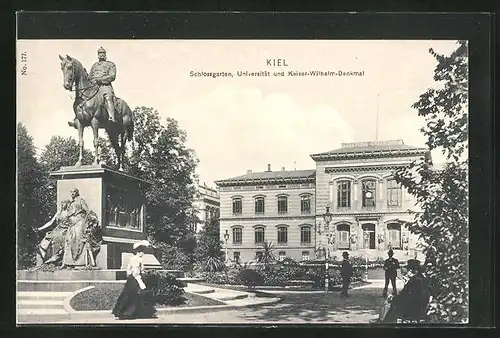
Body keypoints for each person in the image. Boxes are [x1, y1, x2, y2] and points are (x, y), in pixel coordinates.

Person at [112, 240, 156, 320]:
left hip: (130, 279)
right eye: (142, 251)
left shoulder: (132, 258)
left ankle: (122, 313)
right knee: (132, 297)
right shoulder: (137, 259)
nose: (143, 253)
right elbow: (136, 272)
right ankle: (126, 314)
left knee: (127, 295)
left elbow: (128, 270)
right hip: (135, 280)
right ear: (138, 252)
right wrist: (141, 282)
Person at [36, 200, 71, 264]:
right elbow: (50, 222)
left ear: (67, 204)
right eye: (62, 203)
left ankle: (55, 259)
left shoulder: (69, 213)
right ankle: (46, 258)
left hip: (65, 230)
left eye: (64, 203)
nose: (63, 205)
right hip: (57, 229)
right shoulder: (58, 213)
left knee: (56, 240)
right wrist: (40, 228)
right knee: (46, 240)